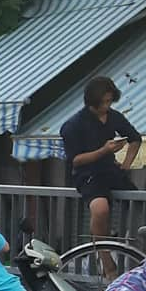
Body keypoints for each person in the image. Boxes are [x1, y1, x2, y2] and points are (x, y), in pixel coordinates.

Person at [60, 76, 141, 251]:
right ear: (92, 101)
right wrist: (103, 151)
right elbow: (75, 160)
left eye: (109, 101)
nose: (106, 106)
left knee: (139, 203)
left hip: (110, 170)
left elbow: (135, 139)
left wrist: (127, 163)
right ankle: (104, 259)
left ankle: (134, 246)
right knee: (100, 208)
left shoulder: (114, 117)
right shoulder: (74, 125)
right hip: (87, 174)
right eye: (103, 102)